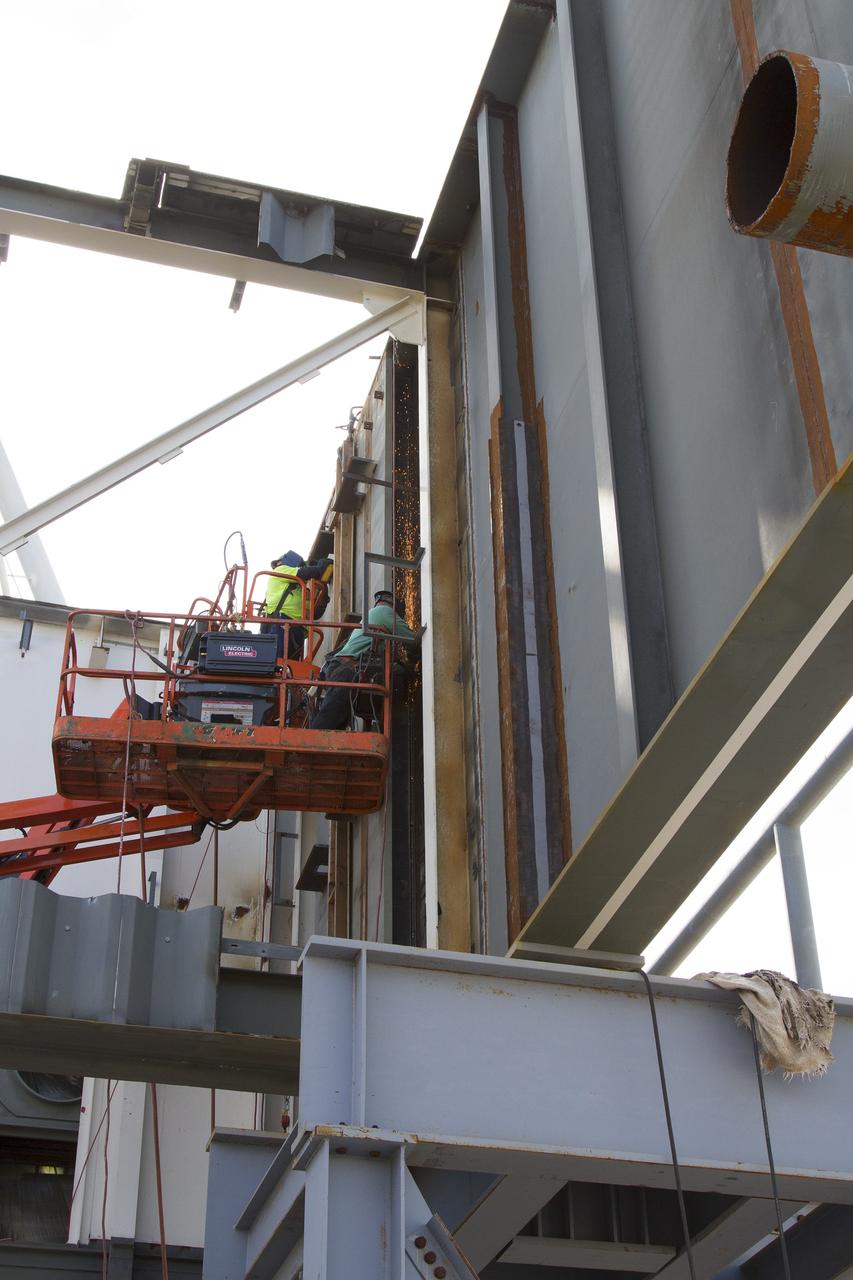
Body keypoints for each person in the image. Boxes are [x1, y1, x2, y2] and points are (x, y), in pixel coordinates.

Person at [310, 588, 419, 730]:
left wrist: (403, 668)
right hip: (347, 671)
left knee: (335, 725)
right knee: (326, 723)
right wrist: (412, 663)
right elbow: (412, 641)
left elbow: (385, 666)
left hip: (341, 669)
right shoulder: (384, 612)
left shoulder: (372, 620)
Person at [260, 550, 333, 659]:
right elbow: (303, 573)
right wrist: (320, 567)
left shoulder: (298, 589)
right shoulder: (280, 570)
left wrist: (323, 590)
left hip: (294, 632)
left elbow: (316, 612)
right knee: (275, 663)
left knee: (288, 670)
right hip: (281, 625)